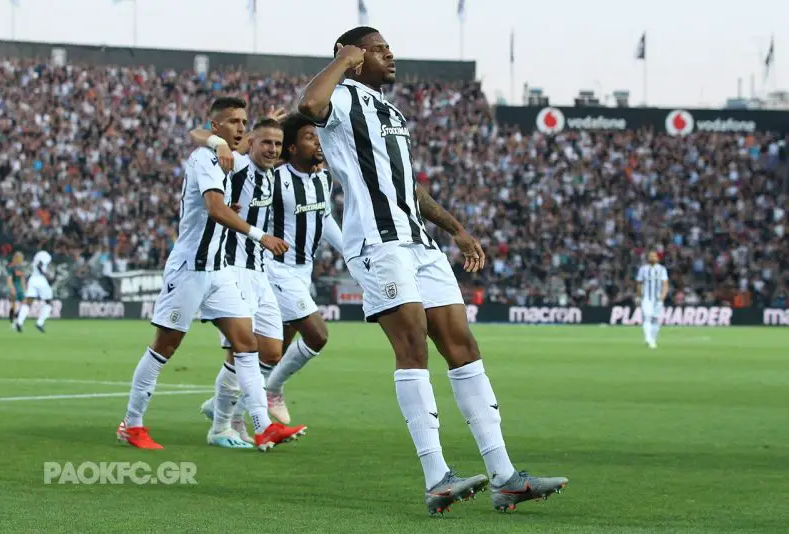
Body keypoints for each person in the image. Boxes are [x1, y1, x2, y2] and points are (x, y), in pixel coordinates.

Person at [298, 26, 568, 515]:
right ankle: (436, 477)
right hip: (378, 242)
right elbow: (308, 105)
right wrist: (342, 60)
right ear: (353, 55)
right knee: (413, 347)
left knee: (463, 346)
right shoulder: (340, 98)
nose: (390, 55)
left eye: (389, 48)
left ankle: (505, 476)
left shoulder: (390, 111)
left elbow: (407, 186)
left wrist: (456, 229)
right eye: (378, 49)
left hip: (420, 243)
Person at [116, 97, 302, 451]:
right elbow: (215, 208)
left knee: (246, 345)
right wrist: (260, 235)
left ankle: (263, 426)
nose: (241, 128)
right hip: (190, 269)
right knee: (164, 347)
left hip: (220, 271)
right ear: (216, 127)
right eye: (233, 122)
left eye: (244, 122)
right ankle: (132, 423)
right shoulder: (205, 157)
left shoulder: (229, 156)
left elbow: (221, 203)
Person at [189, 117, 307, 446]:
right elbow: (196, 133)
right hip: (233, 268)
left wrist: (273, 126)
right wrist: (219, 143)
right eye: (266, 142)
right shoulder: (239, 165)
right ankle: (224, 425)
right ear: (251, 143)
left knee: (271, 352)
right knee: (239, 351)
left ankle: (222, 409)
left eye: (277, 144)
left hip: (260, 271)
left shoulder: (270, 173)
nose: (272, 149)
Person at [262, 113, 344, 424]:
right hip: (276, 270)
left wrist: (350, 252)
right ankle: (273, 390)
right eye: (310, 138)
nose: (318, 143)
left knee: (274, 351)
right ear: (292, 148)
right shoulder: (275, 179)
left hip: (302, 272)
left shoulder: (324, 178)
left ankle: (223, 408)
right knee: (317, 336)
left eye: (318, 137)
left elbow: (324, 218)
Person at [636, 251, 670, 349]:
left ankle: (653, 339)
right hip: (646, 297)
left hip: (658, 298)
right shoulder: (643, 269)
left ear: (657, 258)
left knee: (655, 319)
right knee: (647, 317)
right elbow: (639, 283)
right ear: (647, 258)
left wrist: (663, 296)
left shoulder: (662, 269)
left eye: (654, 256)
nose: (652, 258)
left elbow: (665, 283)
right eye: (650, 256)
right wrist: (639, 295)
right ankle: (648, 339)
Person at [15, 249, 53, 333]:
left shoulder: (37, 254)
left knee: (28, 302)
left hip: (32, 279)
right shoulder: (46, 255)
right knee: (49, 303)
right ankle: (40, 323)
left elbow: (37, 264)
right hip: (40, 280)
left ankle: (19, 323)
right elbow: (40, 265)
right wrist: (45, 274)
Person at [6, 251, 26, 325]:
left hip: (20, 288)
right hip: (14, 287)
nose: (22, 259)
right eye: (20, 258)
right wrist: (12, 288)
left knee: (24, 304)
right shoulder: (11, 267)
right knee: (14, 305)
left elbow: (22, 278)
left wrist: (24, 288)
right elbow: (9, 279)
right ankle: (13, 320)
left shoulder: (21, 267)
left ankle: (16, 315)